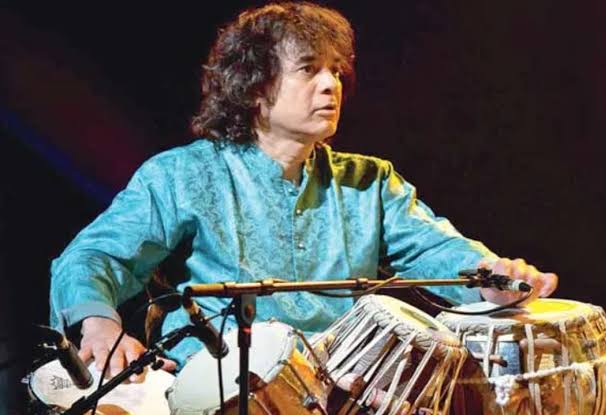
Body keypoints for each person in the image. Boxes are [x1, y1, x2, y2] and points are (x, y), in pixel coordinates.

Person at [49, 2, 557, 381]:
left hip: (345, 385)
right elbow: (93, 257)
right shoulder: (184, 175)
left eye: (336, 70)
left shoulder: (369, 182)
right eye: (309, 69)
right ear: (254, 87)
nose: (332, 85)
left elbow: (437, 249)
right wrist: (99, 325)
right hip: (219, 386)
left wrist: (492, 277)